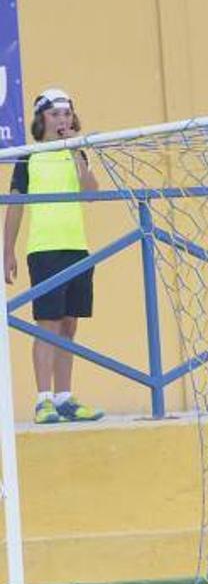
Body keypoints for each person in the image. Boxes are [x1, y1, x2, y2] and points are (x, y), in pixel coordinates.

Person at [3, 88, 103, 424]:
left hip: (77, 248)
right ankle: (43, 399)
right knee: (47, 324)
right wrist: (7, 251)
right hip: (44, 249)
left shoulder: (77, 152)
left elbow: (91, 195)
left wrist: (76, 151)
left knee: (69, 324)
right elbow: (15, 206)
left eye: (67, 114)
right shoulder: (29, 156)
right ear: (41, 118)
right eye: (56, 114)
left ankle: (64, 397)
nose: (63, 120)